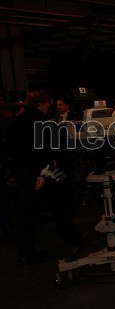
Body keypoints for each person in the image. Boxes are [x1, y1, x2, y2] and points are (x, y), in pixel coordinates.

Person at [8, 91, 81, 264]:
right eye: (48, 103)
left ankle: (27, 251)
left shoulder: (19, 121)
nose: (50, 106)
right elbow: (43, 150)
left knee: (31, 214)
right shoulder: (39, 122)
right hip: (39, 173)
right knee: (53, 208)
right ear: (40, 103)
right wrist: (41, 171)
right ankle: (71, 239)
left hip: (26, 173)